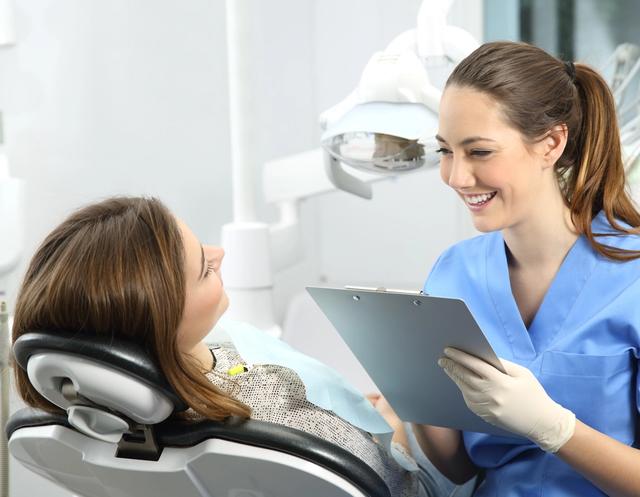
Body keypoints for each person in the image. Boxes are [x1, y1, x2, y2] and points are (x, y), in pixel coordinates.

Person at [11, 196, 425, 497]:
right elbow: (395, 481)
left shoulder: (101, 421)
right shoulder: (277, 422)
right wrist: (400, 426)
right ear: (164, 321)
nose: (221, 253)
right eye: (204, 269)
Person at [410, 41, 640, 497]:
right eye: (445, 151)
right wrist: (413, 392)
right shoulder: (454, 272)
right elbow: (457, 467)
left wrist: (553, 428)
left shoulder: (631, 276)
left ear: (552, 143)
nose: (456, 177)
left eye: (478, 152)